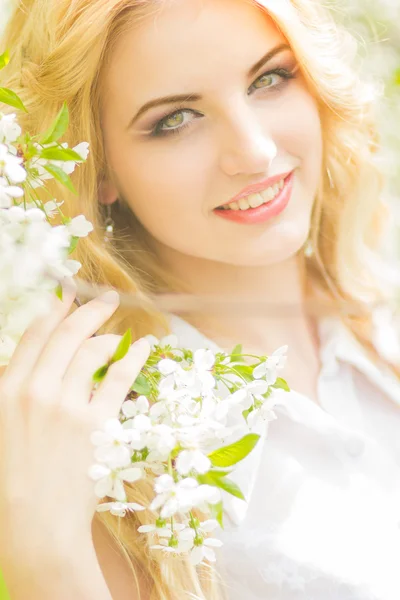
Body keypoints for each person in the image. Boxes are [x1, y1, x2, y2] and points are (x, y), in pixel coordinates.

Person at [0, 0, 400, 598]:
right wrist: (48, 559)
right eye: (175, 119)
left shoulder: (383, 294)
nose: (256, 152)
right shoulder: (108, 462)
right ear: (99, 165)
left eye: (270, 78)